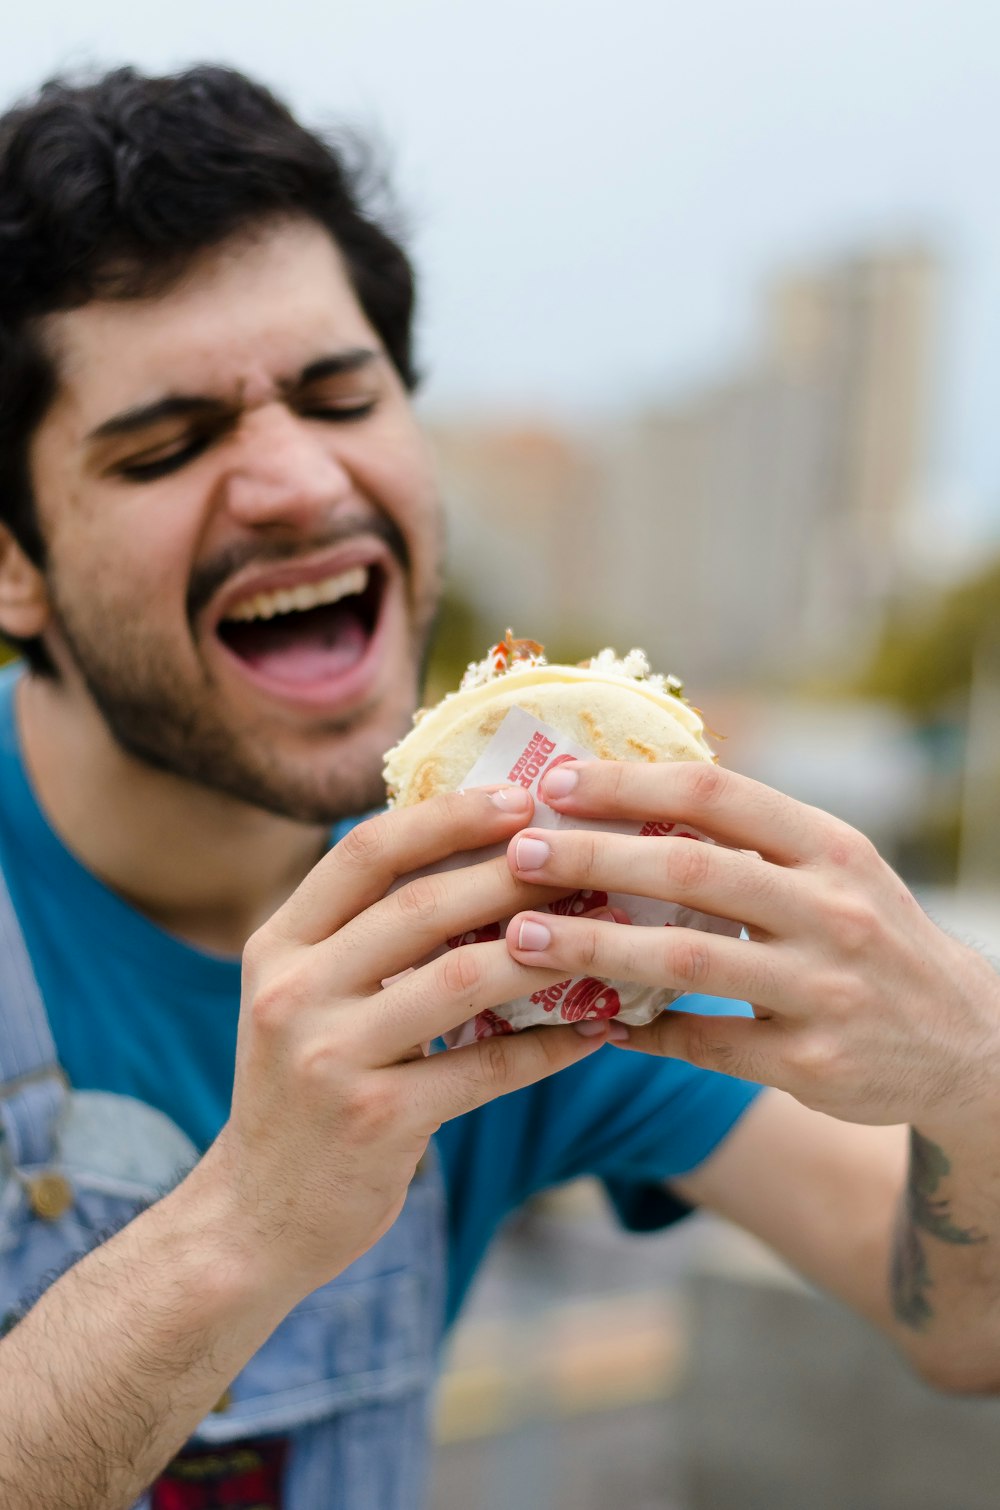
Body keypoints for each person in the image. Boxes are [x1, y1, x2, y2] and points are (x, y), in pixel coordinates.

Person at [0, 62, 998, 1510]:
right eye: (167, 443)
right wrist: (247, 1226)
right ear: (12, 561)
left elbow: (957, 1327)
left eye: (342, 394)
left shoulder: (536, 917)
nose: (295, 479)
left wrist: (972, 1073)